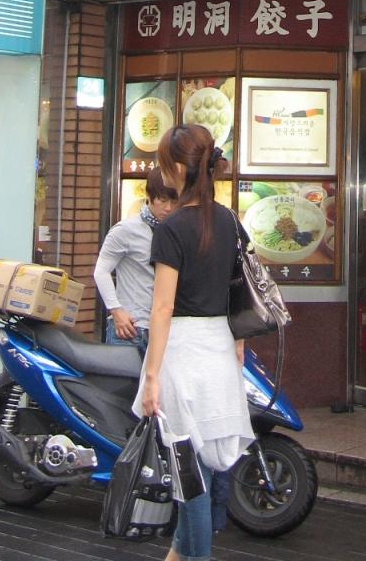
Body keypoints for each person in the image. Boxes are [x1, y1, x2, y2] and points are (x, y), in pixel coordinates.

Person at [136, 124, 253, 561]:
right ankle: (177, 555)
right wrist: (239, 342)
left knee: (190, 478)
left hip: (183, 352)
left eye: (163, 163)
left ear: (177, 169)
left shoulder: (171, 228)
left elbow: (162, 308)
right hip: (219, 348)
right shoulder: (230, 221)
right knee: (196, 467)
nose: (161, 170)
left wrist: (151, 376)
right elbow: (238, 289)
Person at [94, 166, 178, 349]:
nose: (168, 208)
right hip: (131, 329)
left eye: (174, 201)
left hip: (165, 330)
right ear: (149, 195)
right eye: (163, 200)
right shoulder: (126, 230)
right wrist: (116, 311)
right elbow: (101, 271)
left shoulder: (176, 233)